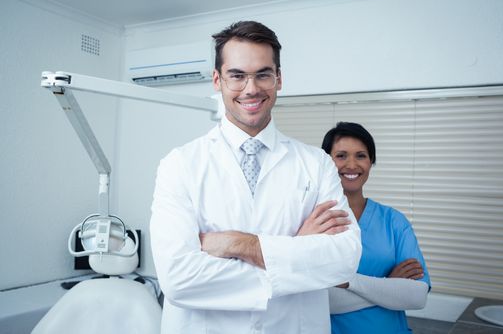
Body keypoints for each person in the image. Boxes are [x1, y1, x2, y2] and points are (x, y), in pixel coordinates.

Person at [149, 21, 362, 334]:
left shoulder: (316, 164)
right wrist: (296, 253)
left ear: (278, 79)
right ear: (217, 80)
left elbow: (344, 260)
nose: (251, 88)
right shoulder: (179, 165)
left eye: (263, 74)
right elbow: (179, 278)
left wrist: (240, 244)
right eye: (237, 75)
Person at [318, 122, 430, 334]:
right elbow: (321, 300)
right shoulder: (315, 221)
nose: (352, 164)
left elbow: (416, 296)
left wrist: (347, 282)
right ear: (326, 162)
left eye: (361, 155)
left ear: (371, 162)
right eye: (341, 155)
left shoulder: (394, 222)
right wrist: (389, 287)